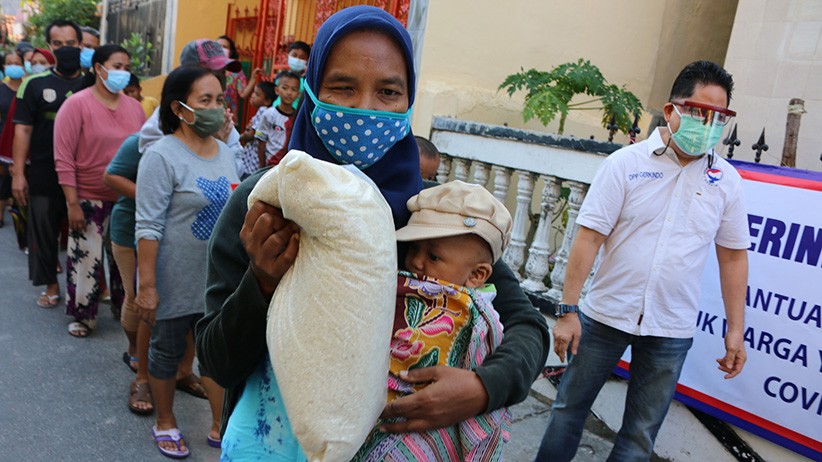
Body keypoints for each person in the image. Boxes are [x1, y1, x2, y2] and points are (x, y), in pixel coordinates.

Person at [195, 6, 549, 460]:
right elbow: (218, 361)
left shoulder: (435, 214)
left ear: (409, 100)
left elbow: (526, 325)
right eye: (342, 87)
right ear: (311, 90)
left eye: (388, 91)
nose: (366, 109)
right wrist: (262, 282)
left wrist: (482, 388)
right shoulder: (264, 203)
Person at [536, 60, 749, 462]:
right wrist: (568, 310)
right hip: (604, 317)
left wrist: (736, 329)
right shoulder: (625, 165)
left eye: (719, 117)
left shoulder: (728, 182)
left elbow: (734, 257)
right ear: (672, 111)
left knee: (639, 435)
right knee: (568, 411)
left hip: (671, 327)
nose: (709, 124)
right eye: (700, 112)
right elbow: (589, 237)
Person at [356, 180, 514, 459]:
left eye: (433, 255)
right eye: (413, 249)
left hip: (422, 436)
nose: (416, 262)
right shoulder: (400, 287)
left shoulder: (478, 317)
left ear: (477, 275)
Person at [135, 65, 237, 459]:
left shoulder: (226, 152)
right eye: (205, 100)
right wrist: (147, 286)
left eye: (220, 100)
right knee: (166, 349)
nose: (216, 108)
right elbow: (148, 225)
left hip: (216, 279)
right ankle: (165, 421)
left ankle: (219, 424)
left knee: (216, 353)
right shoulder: (161, 156)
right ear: (179, 108)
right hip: (173, 277)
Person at [53, 44, 145, 337]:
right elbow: (63, 157)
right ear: (98, 68)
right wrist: (72, 203)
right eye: (117, 65)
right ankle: (83, 315)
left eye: (126, 66)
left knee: (125, 260)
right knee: (85, 259)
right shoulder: (76, 105)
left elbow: (146, 151)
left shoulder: (135, 108)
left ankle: (124, 308)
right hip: (87, 197)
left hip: (126, 197)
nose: (122, 72)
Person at [11, 19, 87, 308]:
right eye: (58, 44)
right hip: (44, 171)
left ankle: (85, 289)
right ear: (49, 46)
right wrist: (19, 173)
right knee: (42, 231)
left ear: (81, 46)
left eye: (71, 44)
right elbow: (23, 130)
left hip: (85, 174)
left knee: (85, 231)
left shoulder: (93, 82)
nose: (65, 49)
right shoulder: (34, 84)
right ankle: (52, 285)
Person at [0, 51, 25, 228]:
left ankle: (22, 219)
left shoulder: (29, 87)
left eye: (17, 62)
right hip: (3, 140)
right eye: (10, 63)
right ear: (4, 67)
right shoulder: (1, 88)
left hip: (24, 140)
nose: (14, 66)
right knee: (2, 181)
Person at [254, 70, 299, 168]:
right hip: (270, 165)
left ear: (298, 94)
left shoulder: (297, 118)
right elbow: (261, 142)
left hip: (289, 166)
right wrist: (262, 168)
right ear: (277, 90)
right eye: (285, 88)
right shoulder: (269, 114)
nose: (289, 93)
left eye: (294, 89)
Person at [216, 35, 260, 128]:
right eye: (218, 46)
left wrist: (253, 78)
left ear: (231, 51)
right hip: (211, 116)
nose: (221, 49)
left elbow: (243, 94)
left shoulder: (235, 70)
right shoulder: (208, 68)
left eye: (225, 47)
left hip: (229, 119)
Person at [237, 80, 274, 178]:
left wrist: (238, 136)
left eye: (257, 95)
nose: (252, 96)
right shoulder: (269, 113)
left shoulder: (263, 111)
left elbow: (250, 135)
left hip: (252, 162)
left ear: (267, 101)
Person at [271, 40, 310, 111]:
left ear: (307, 60)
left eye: (302, 57)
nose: (297, 59)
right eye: (294, 55)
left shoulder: (307, 81)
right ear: (288, 55)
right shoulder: (280, 76)